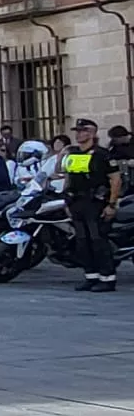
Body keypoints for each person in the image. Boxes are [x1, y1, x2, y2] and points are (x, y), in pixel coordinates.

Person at [59, 119, 121, 292]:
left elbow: (115, 179)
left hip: (96, 203)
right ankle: (91, 276)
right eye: (77, 131)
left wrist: (111, 204)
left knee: (98, 241)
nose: (79, 134)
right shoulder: (73, 153)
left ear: (92, 133)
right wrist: (66, 201)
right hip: (76, 202)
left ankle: (107, 278)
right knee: (82, 242)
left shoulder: (102, 154)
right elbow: (67, 177)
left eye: (83, 130)